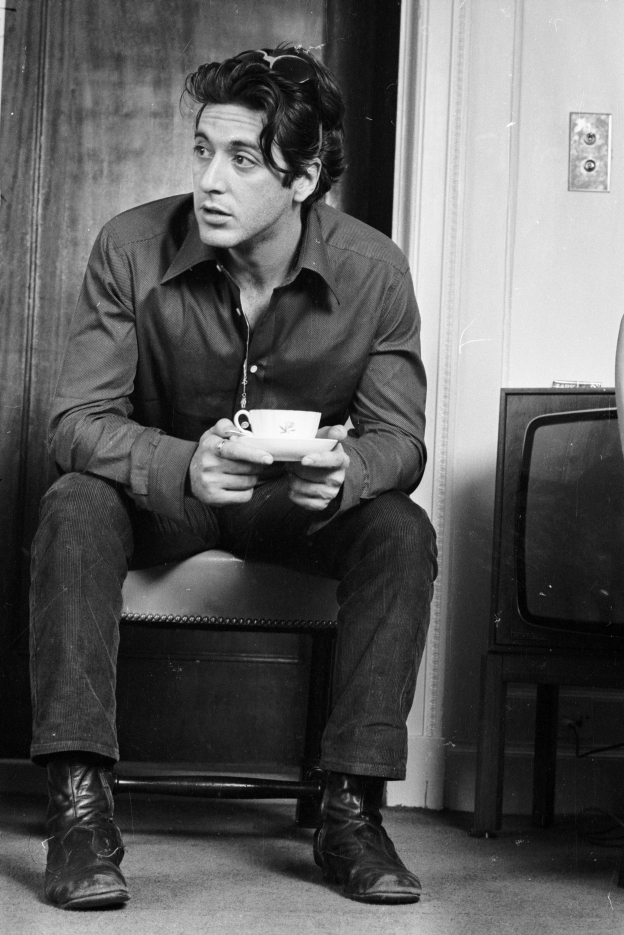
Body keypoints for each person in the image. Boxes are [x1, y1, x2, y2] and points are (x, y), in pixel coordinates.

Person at [30, 46, 437, 910]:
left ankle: (351, 812)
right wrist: (184, 464)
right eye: (203, 150)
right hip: (165, 500)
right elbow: (73, 420)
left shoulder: (374, 271)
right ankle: (80, 813)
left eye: (243, 159)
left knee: (402, 529)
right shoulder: (130, 247)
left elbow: (401, 439)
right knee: (73, 502)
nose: (210, 180)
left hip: (290, 505)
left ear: (304, 177)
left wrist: (349, 470)